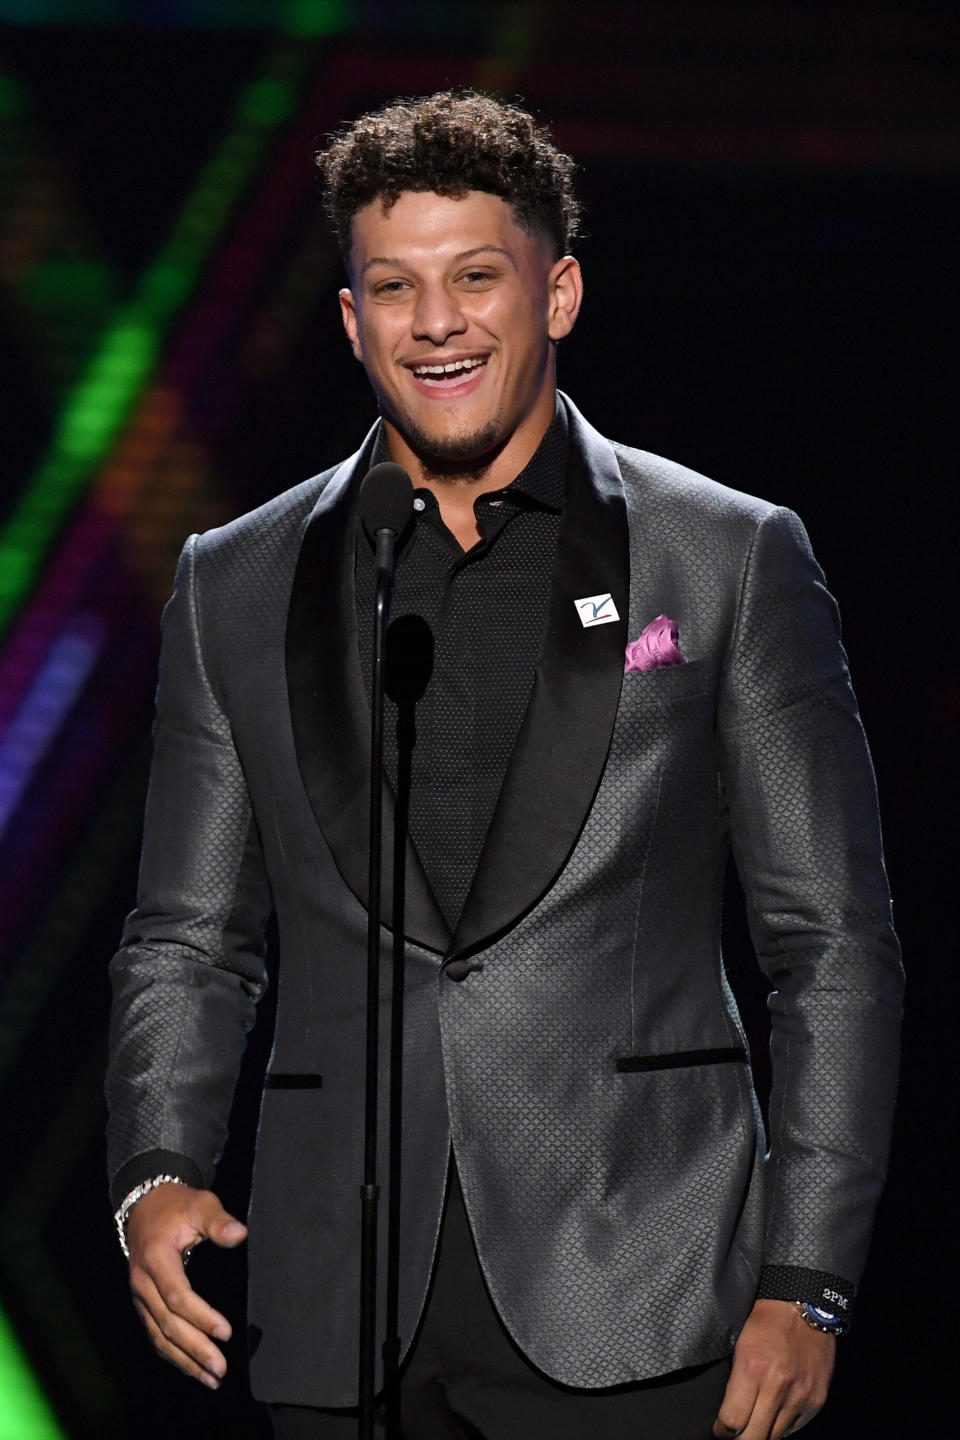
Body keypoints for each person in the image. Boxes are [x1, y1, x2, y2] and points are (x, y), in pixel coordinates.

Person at [106, 91, 902, 1440]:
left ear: (561, 292)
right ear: (352, 319)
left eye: (478, 278)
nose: (438, 325)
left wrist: (809, 1279)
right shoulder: (236, 580)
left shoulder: (726, 556)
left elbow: (829, 944)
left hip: (645, 1291)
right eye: (394, 288)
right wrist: (155, 1168)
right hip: (335, 1300)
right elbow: (188, 932)